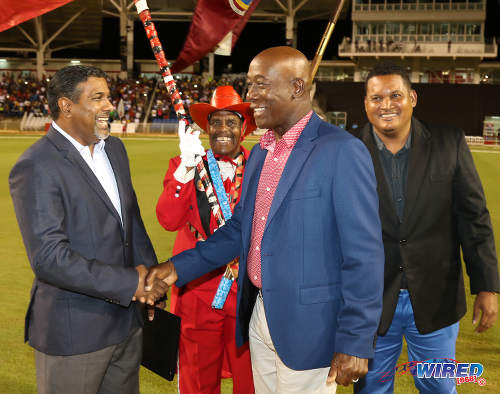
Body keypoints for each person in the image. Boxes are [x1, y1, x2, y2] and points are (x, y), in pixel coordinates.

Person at [147, 46, 385, 393]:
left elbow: (364, 253)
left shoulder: (340, 150)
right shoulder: (261, 152)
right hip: (259, 315)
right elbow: (241, 228)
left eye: (260, 85)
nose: (251, 95)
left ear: (297, 88)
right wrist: (173, 270)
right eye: (249, 85)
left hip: (309, 329)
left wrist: (356, 339)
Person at [9, 65, 167, 394]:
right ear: (66, 106)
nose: (110, 105)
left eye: (108, 96)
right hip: (75, 332)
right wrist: (131, 283)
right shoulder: (37, 165)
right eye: (98, 98)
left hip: (126, 324)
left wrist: (153, 281)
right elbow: (50, 258)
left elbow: (131, 223)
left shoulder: (115, 149)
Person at [351, 61, 499, 394]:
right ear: (365, 103)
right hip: (370, 303)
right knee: (372, 389)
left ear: (413, 98)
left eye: (395, 95)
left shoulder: (449, 142)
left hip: (436, 297)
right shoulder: (346, 150)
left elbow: (474, 219)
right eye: (376, 98)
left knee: (438, 387)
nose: (386, 105)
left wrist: (487, 286)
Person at [156, 85, 256, 393]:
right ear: (206, 127)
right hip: (198, 289)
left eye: (231, 121)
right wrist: (186, 167)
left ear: (243, 128)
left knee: (250, 380)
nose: (223, 129)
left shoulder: (260, 166)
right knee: (198, 378)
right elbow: (168, 219)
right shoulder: (186, 166)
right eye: (216, 121)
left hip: (247, 292)